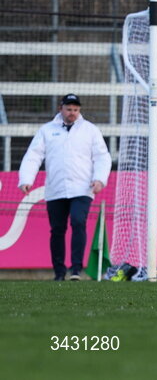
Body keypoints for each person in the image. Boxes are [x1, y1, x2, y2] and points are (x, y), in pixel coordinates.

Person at [18, 94, 112, 281]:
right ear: (61, 108)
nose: (72, 113)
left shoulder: (90, 130)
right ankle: (59, 271)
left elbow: (102, 156)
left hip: (82, 188)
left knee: (78, 222)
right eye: (69, 109)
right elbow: (33, 156)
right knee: (57, 229)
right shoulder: (47, 130)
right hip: (55, 188)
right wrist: (26, 179)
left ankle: (76, 268)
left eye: (76, 110)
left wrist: (99, 179)